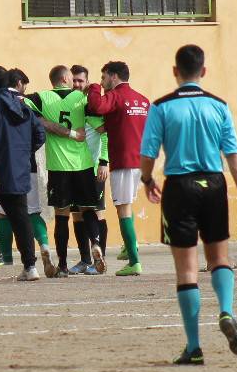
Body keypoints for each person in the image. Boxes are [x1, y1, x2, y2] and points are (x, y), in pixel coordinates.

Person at [140, 44, 237, 365]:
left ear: (176, 72)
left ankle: (193, 347)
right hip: (214, 184)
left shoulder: (162, 107)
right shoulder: (219, 105)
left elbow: (147, 155)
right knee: (219, 258)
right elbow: (233, 154)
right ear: (203, 72)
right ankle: (227, 311)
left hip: (179, 187)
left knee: (186, 270)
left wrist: (147, 180)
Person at [24, 65, 104, 277]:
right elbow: (101, 127)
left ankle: (63, 265)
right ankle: (95, 243)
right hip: (83, 164)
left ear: (53, 80)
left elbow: (26, 108)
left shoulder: (41, 97)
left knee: (62, 216)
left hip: (59, 167)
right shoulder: (81, 98)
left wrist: (51, 125)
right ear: (67, 78)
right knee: (87, 209)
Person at [0, 67, 56, 277]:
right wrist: (23, 153)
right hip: (19, 169)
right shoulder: (23, 106)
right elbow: (39, 134)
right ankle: (30, 266)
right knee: (21, 217)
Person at [87, 61, 150, 276]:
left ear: (114, 77)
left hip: (122, 161)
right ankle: (128, 247)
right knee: (128, 205)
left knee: (122, 208)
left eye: (104, 77)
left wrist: (93, 87)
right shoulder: (142, 100)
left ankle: (134, 261)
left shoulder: (116, 95)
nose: (103, 83)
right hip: (139, 160)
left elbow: (97, 106)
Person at [68, 65, 110, 276]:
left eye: (80, 81)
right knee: (76, 215)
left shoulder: (89, 107)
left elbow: (105, 134)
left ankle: (99, 258)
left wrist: (104, 162)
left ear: (86, 82)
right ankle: (85, 259)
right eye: (73, 80)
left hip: (93, 170)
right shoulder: (68, 106)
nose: (76, 84)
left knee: (96, 213)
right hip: (72, 170)